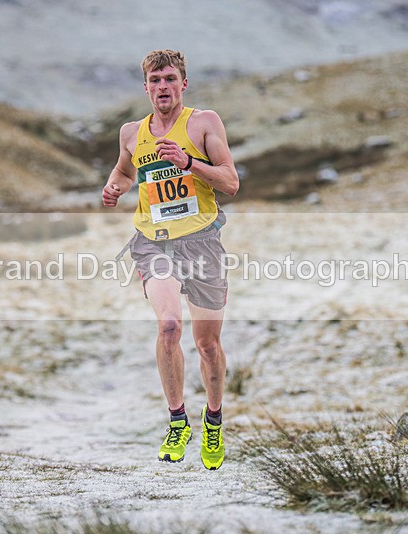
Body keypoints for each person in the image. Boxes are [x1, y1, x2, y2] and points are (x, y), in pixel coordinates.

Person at [102, 49, 239, 470]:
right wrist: (113, 187)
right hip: (153, 242)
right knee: (168, 326)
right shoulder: (131, 132)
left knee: (207, 343)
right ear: (145, 88)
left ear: (183, 84)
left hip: (201, 242)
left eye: (170, 79)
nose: (162, 87)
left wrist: (189, 163)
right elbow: (126, 172)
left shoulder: (203, 123)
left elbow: (231, 182)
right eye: (155, 80)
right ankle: (178, 421)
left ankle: (212, 422)